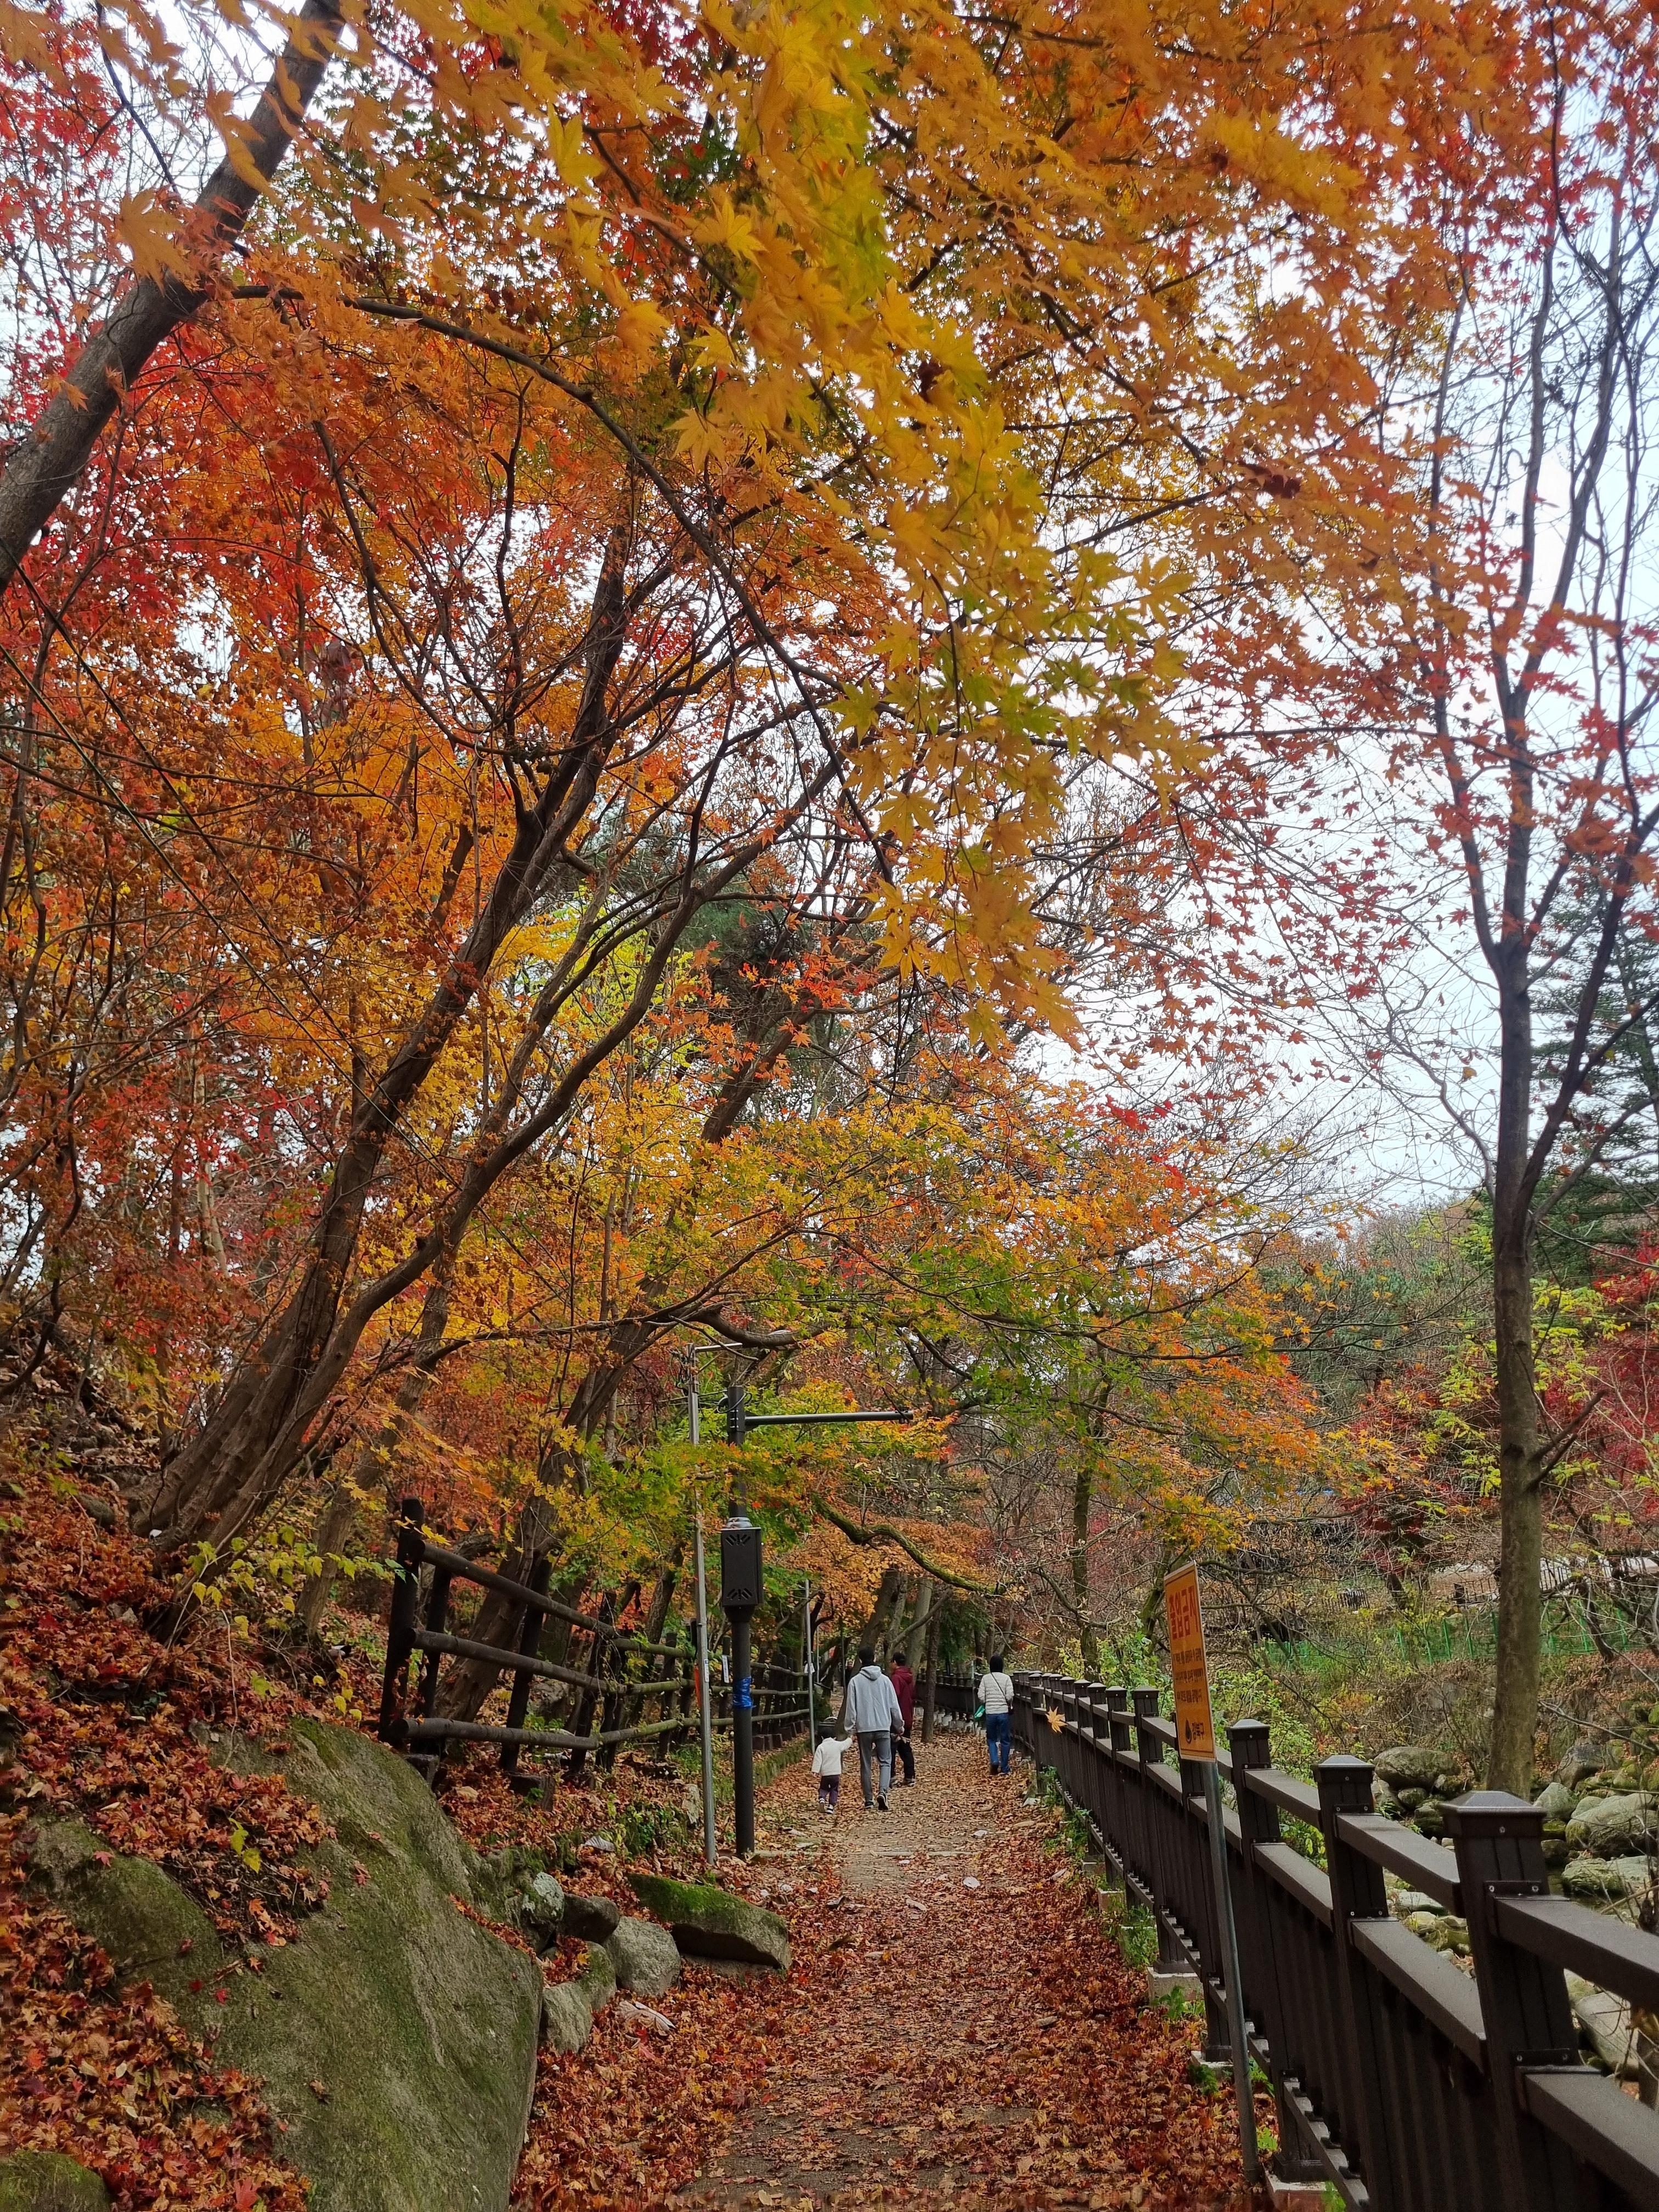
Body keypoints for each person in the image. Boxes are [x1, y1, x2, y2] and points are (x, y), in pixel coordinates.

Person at [841, 1647, 905, 1809]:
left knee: (866, 1764)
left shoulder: (855, 1681)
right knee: (886, 1761)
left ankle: (868, 1800)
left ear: (860, 1660)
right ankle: (883, 1792)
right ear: (875, 1658)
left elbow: (851, 1708)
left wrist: (850, 1729)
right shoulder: (885, 1681)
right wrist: (899, 1726)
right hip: (883, 1726)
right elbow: (894, 1707)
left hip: (864, 1728)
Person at [979, 1651, 1014, 1776]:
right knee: (1005, 1740)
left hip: (990, 1713)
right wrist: (1007, 1701)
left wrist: (988, 1701)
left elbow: (981, 1697)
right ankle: (1005, 1768)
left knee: (992, 1739)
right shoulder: (1006, 1679)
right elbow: (1010, 1696)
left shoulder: (985, 1679)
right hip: (1003, 1713)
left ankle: (994, 1760)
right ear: (1002, 1666)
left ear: (991, 1666)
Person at [889, 1654, 917, 1786]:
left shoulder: (896, 1678)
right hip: (908, 1717)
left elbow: (894, 1698)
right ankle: (910, 1776)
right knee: (906, 1747)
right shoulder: (909, 1677)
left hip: (897, 1718)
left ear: (895, 1662)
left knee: (892, 1748)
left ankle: (892, 1777)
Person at [811, 1728, 853, 1813]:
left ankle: (822, 1799)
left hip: (825, 1774)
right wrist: (850, 1739)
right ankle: (831, 1806)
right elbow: (845, 1744)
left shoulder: (821, 1747)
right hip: (836, 1773)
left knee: (823, 1788)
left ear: (822, 1738)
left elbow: (817, 1760)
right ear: (834, 1737)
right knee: (834, 1789)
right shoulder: (837, 1745)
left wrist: (815, 1771)